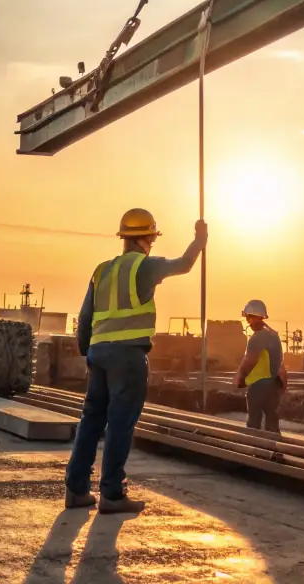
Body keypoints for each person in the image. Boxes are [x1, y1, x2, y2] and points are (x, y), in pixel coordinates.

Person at [64, 208, 207, 514]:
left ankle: (76, 490)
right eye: (152, 238)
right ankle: (113, 494)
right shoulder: (145, 266)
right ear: (147, 238)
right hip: (127, 356)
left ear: (123, 239)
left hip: (99, 353)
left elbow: (85, 316)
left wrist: (86, 352)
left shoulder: (101, 270)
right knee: (119, 423)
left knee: (91, 419)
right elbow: (183, 264)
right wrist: (199, 240)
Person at [233, 299, 286, 432]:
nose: (247, 321)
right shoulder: (274, 336)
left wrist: (239, 378)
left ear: (252, 317)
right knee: (272, 423)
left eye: (248, 318)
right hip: (274, 385)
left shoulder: (257, 338)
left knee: (254, 424)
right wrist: (283, 384)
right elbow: (281, 364)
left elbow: (249, 360)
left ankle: (254, 451)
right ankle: (273, 451)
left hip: (258, 386)